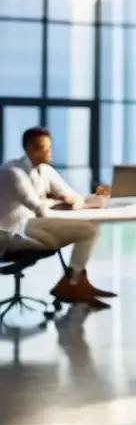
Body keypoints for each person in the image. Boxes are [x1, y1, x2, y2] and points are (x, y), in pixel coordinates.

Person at [0, 127, 113, 307]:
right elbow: (38, 208)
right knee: (87, 231)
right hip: (11, 233)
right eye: (43, 148)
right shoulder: (13, 172)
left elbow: (73, 197)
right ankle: (72, 284)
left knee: (91, 229)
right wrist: (54, 202)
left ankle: (75, 284)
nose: (49, 152)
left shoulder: (45, 170)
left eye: (49, 147)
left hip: (33, 225)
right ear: (29, 149)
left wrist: (91, 198)